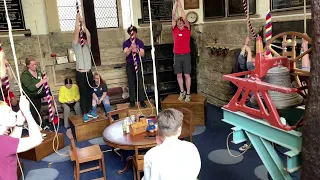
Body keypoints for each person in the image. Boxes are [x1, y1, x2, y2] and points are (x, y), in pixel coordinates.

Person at [143, 108, 201, 180]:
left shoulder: (150, 154)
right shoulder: (191, 148)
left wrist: (158, 148)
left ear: (159, 130)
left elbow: (148, 178)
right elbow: (195, 172)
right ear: (179, 130)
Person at [0, 95, 42, 180]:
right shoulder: (4, 142)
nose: (14, 113)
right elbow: (37, 139)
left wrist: (19, 123)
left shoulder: (3, 141)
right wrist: (27, 113)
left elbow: (10, 142)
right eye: (9, 112)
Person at [73, 12, 94, 122]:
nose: (84, 40)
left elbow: (89, 35)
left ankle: (90, 111)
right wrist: (77, 22)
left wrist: (83, 25)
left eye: (84, 38)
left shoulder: (87, 46)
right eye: (82, 38)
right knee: (83, 93)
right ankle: (85, 112)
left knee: (90, 92)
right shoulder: (76, 47)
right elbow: (76, 34)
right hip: (81, 74)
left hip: (88, 73)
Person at [172, 0, 192, 102]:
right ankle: (182, 91)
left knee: (186, 75)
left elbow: (184, 17)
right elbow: (173, 16)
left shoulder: (187, 29)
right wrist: (175, 6)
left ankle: (188, 94)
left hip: (186, 55)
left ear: (184, 24)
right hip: (177, 55)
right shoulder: (175, 29)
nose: (179, 26)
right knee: (179, 75)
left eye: (181, 24)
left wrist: (180, 7)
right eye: (178, 24)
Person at [122, 25, 147, 108]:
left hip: (138, 64)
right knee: (131, 83)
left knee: (140, 82)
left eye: (134, 33)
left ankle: (142, 101)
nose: (132, 34)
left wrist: (136, 50)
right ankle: (132, 101)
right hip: (130, 65)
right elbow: (126, 53)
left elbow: (142, 54)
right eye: (131, 33)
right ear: (129, 34)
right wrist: (130, 48)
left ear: (136, 33)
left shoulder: (140, 42)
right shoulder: (126, 43)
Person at [20, 57, 50, 125]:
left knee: (38, 113)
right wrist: (41, 82)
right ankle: (34, 129)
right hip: (29, 98)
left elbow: (43, 82)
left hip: (37, 96)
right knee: (32, 115)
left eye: (35, 64)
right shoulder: (25, 75)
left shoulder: (38, 72)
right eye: (33, 65)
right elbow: (31, 88)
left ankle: (40, 126)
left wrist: (45, 78)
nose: (35, 66)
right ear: (28, 66)